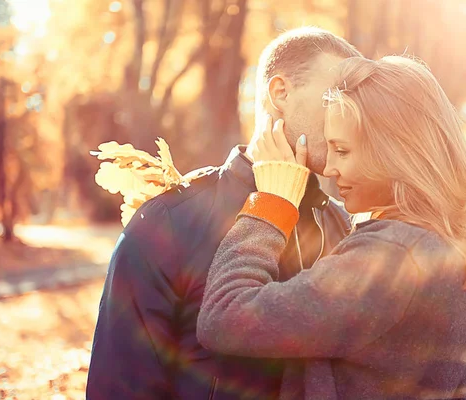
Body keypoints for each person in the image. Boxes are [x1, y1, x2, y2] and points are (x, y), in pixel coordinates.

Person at [197, 56, 466, 399]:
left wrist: (272, 204)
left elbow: (225, 316)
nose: (328, 168)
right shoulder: (453, 240)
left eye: (342, 151)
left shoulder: (393, 254)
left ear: (396, 152)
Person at [86, 27, 362, 399]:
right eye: (335, 96)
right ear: (280, 93)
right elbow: (120, 386)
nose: (351, 116)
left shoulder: (346, 230)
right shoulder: (168, 221)